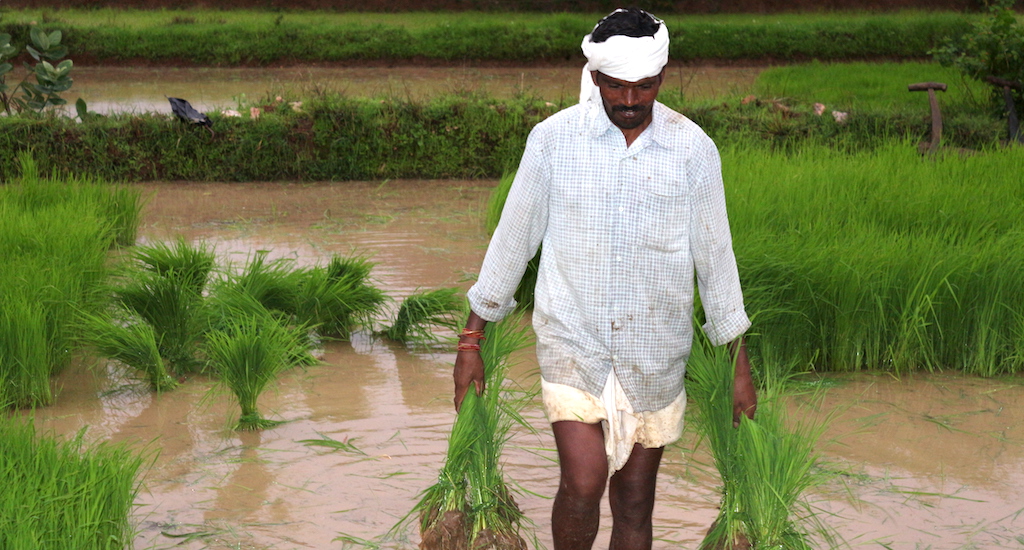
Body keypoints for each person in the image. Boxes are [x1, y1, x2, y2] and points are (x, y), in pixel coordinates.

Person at [453, 8, 757, 550]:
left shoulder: (692, 151)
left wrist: (738, 365)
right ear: (595, 78)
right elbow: (512, 240)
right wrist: (471, 338)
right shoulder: (553, 142)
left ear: (661, 79)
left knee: (636, 498)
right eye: (617, 86)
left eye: (644, 86)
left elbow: (716, 260)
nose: (631, 100)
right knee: (584, 480)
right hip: (574, 342)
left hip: (656, 350)